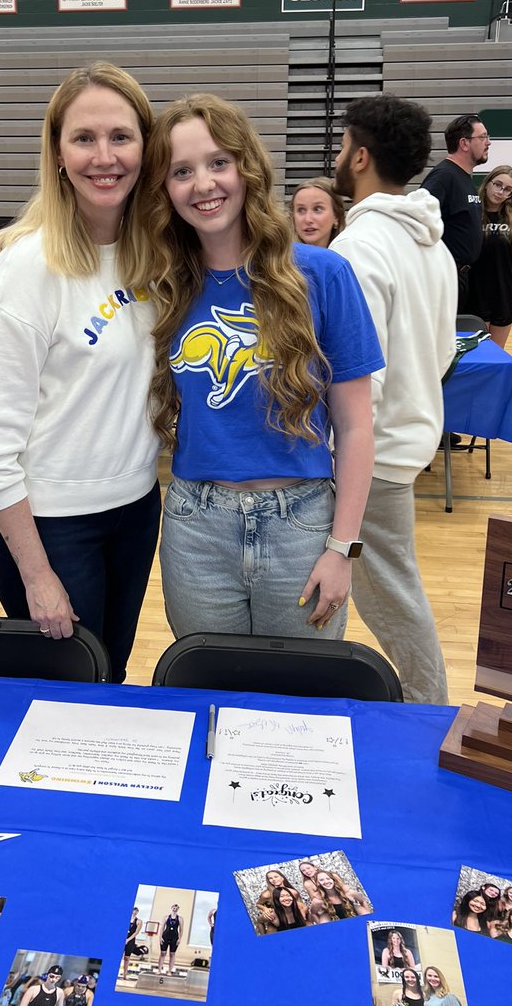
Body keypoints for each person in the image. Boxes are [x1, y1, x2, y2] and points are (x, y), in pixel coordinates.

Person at [131, 93, 381, 640]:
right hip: (196, 526)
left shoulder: (322, 274)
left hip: (304, 523)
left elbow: (358, 426)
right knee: (209, 690)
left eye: (219, 162)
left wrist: (344, 548)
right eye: (181, 171)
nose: (203, 184)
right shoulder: (161, 286)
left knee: (298, 707)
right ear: (164, 189)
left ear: (247, 167)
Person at [0, 64, 159, 682]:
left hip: (135, 509)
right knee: (67, 695)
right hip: (51, 528)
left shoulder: (148, 255)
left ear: (146, 147)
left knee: (111, 677)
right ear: (57, 151)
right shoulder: (22, 275)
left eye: (121, 137)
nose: (105, 156)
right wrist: (36, 574)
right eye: (84, 138)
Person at [331, 94, 456, 703]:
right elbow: (442, 356)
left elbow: (359, 379)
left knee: (388, 594)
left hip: (371, 456)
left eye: (341, 145)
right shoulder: (434, 244)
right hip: (403, 445)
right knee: (378, 587)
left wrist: (341, 453)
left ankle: (431, 709)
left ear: (359, 156)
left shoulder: (358, 249)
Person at [420, 113, 490, 310]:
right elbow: (418, 220)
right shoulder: (443, 177)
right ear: (464, 143)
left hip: (461, 279)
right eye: (483, 137)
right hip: (444, 279)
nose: (489, 142)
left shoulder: (463, 177)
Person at [466, 165, 512, 348]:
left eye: (507, 189)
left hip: (504, 295)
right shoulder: (470, 214)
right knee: (474, 353)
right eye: (497, 184)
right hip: (473, 295)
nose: (500, 191)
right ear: (487, 183)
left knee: (495, 354)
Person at [291, 177, 345, 247]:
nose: (308, 219)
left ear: (336, 216)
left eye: (317, 209)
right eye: (301, 210)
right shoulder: (279, 255)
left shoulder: (350, 253)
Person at [157, 904, 183, 974]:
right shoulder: (166, 917)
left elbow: (181, 930)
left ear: (178, 909)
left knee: (172, 954)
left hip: (174, 937)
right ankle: (159, 970)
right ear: (171, 908)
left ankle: (169, 971)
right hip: (165, 936)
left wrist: (179, 939)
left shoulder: (180, 918)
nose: (175, 909)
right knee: (163, 953)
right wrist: (160, 937)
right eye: (174, 908)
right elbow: (162, 928)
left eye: (176, 908)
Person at [122, 906, 143, 979]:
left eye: (136, 911)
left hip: (131, 940)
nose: (135, 912)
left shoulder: (139, 921)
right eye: (134, 910)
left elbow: (136, 932)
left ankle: (125, 974)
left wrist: (128, 940)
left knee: (127, 958)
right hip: (122, 939)